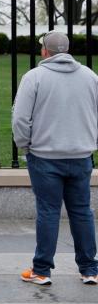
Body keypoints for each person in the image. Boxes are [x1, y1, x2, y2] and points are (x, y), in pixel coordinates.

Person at [12, 30, 98, 286]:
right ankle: (90, 269)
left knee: (48, 212)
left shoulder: (34, 77)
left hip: (44, 155)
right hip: (81, 154)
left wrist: (24, 144)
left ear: (45, 51)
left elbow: (20, 118)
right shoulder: (90, 77)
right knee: (82, 212)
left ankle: (42, 270)